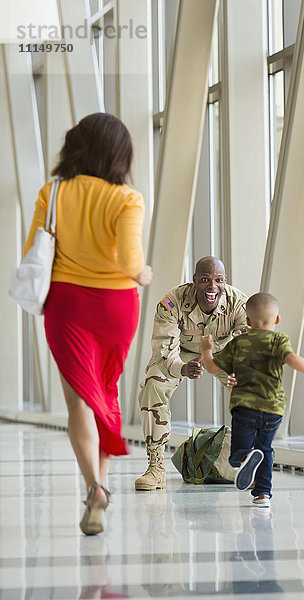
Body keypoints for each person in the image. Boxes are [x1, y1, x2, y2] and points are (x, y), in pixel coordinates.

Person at [23, 112, 152, 535]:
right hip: (116, 306)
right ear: (120, 154)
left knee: (79, 400)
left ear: (74, 147)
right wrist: (143, 274)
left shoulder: (53, 192)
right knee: (106, 391)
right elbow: (131, 262)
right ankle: (102, 484)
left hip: (66, 306)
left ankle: (94, 488)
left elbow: (32, 250)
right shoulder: (127, 200)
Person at [200, 292, 304, 507]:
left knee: (238, 454)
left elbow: (212, 367)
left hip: (245, 408)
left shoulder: (238, 343)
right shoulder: (279, 340)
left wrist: (207, 350)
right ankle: (263, 494)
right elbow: (293, 359)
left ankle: (244, 458)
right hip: (273, 409)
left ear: (248, 321)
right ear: (277, 319)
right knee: (265, 449)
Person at [135, 256, 248, 491]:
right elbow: (164, 349)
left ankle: (249, 461)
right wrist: (182, 368)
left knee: (250, 386)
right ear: (194, 280)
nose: (212, 286)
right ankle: (156, 467)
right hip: (181, 353)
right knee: (152, 386)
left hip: (221, 352)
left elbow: (247, 344)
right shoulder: (172, 302)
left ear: (225, 281)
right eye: (205, 279)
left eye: (219, 280)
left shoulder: (238, 303)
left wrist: (231, 367)